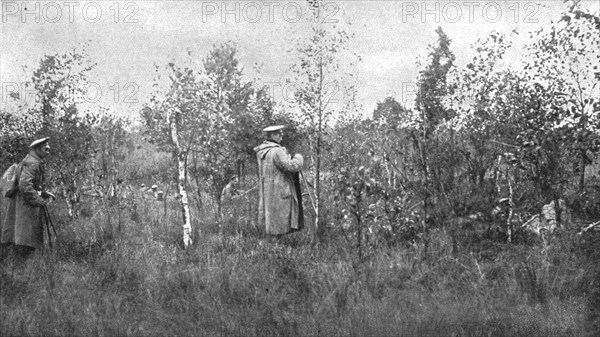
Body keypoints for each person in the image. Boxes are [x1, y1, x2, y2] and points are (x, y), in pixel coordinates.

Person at [1, 137, 55, 259]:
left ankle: (16, 263)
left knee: (19, 235)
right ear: (38, 149)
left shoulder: (31, 161)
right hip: (25, 206)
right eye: (46, 148)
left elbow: (30, 184)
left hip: (23, 203)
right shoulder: (32, 163)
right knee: (25, 238)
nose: (48, 150)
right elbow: (25, 186)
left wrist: (44, 193)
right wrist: (40, 200)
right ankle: (20, 267)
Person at [254, 125, 304, 235]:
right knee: (280, 216)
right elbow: (291, 167)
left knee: (270, 215)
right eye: (279, 134)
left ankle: (272, 242)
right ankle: (279, 245)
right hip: (279, 189)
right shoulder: (277, 151)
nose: (282, 136)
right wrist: (298, 158)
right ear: (272, 135)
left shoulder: (261, 151)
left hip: (267, 189)